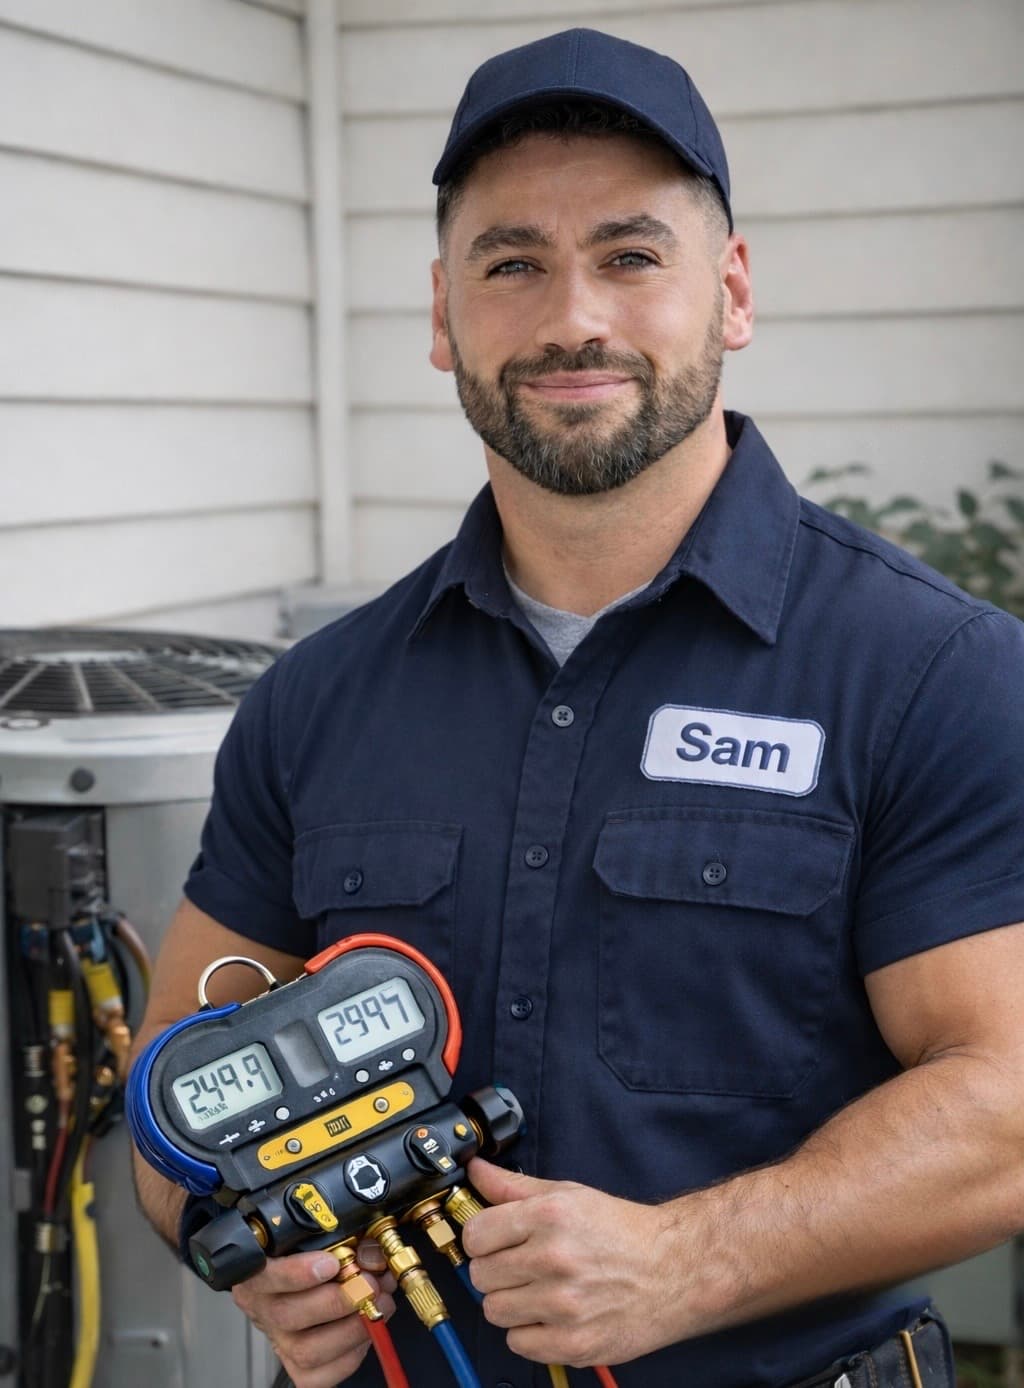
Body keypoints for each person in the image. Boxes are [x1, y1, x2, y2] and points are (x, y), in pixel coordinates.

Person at [131, 27, 1024, 1388]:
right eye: (512, 265)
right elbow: (173, 1110)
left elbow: (1009, 1101)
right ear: (442, 315)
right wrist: (260, 1253)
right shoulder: (318, 704)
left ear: (730, 291)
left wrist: (691, 1260)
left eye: (629, 256)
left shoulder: (928, 674)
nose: (572, 320)